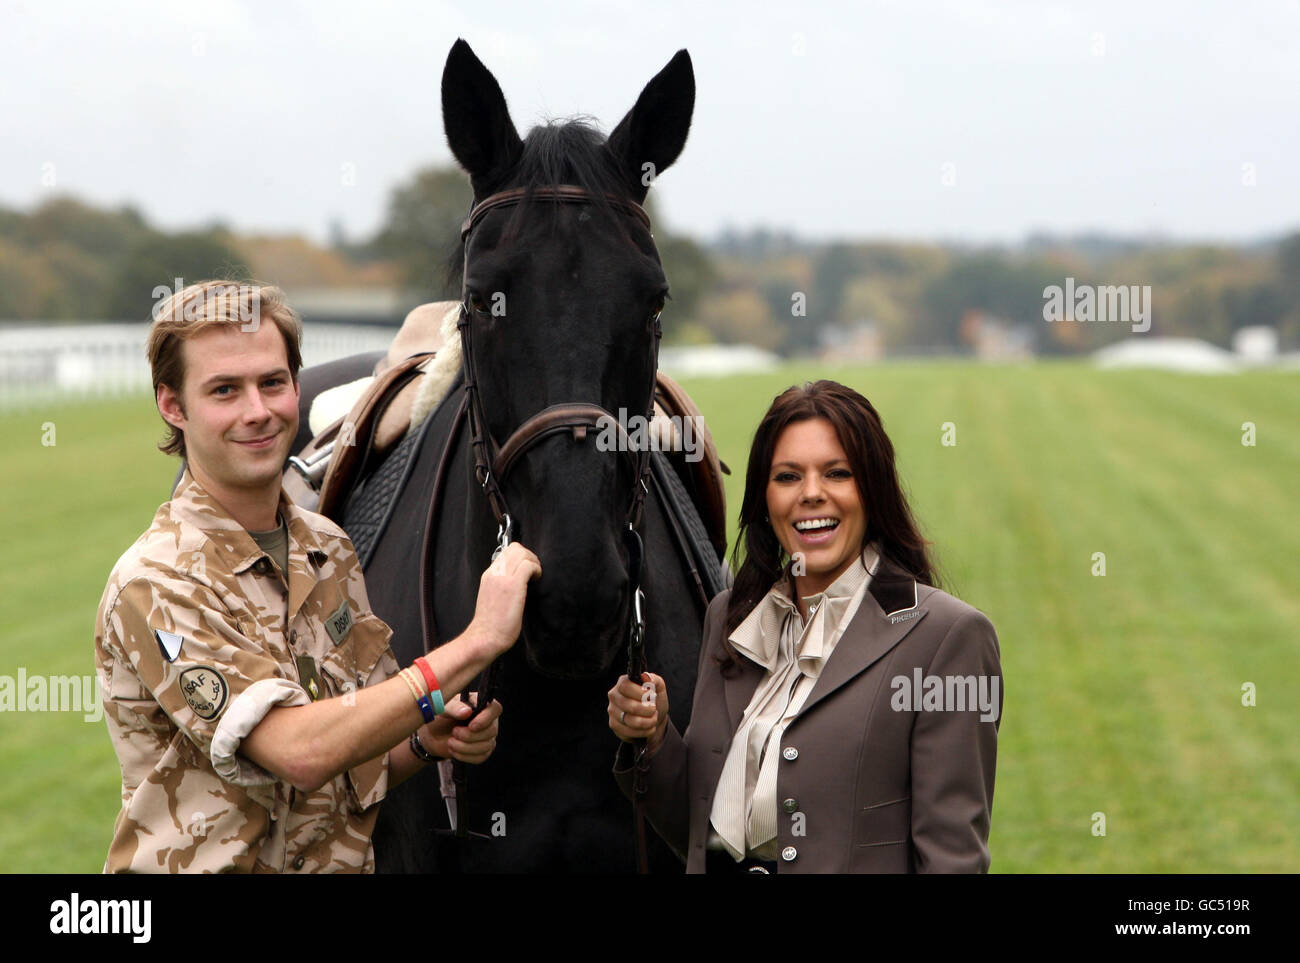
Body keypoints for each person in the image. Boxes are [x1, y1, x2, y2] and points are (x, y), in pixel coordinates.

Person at [94, 280, 541, 873]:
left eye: (272, 383)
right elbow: (300, 751)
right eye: (224, 390)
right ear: (173, 406)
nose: (258, 411)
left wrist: (422, 743)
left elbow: (352, 754)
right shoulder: (156, 581)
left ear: (297, 389)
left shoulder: (326, 547)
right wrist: (479, 641)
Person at [608, 380, 1002, 873]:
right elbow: (701, 832)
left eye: (837, 473)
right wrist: (653, 736)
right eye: (788, 477)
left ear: (873, 489)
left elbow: (952, 858)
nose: (811, 495)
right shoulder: (730, 618)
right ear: (765, 498)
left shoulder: (950, 637)